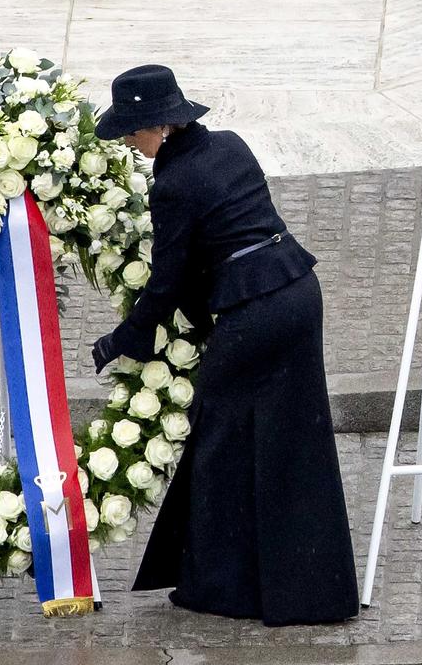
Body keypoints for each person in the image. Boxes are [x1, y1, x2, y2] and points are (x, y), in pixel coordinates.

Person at [89, 65, 359, 626]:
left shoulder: (173, 184)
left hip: (256, 313)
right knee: (294, 443)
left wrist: (124, 339)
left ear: (162, 126)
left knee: (219, 438)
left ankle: (222, 587)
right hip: (297, 293)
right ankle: (312, 589)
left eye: (134, 132)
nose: (130, 144)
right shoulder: (231, 146)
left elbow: (170, 279)